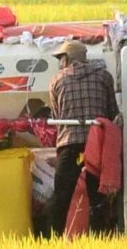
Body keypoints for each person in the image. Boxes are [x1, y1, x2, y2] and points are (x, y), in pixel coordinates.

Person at [45, 41, 117, 235]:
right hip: (97, 145)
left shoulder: (56, 81)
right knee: (97, 196)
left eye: (61, 59)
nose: (60, 63)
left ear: (67, 59)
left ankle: (55, 236)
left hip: (69, 144)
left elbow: (57, 116)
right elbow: (112, 114)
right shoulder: (104, 77)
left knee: (62, 195)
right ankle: (100, 235)